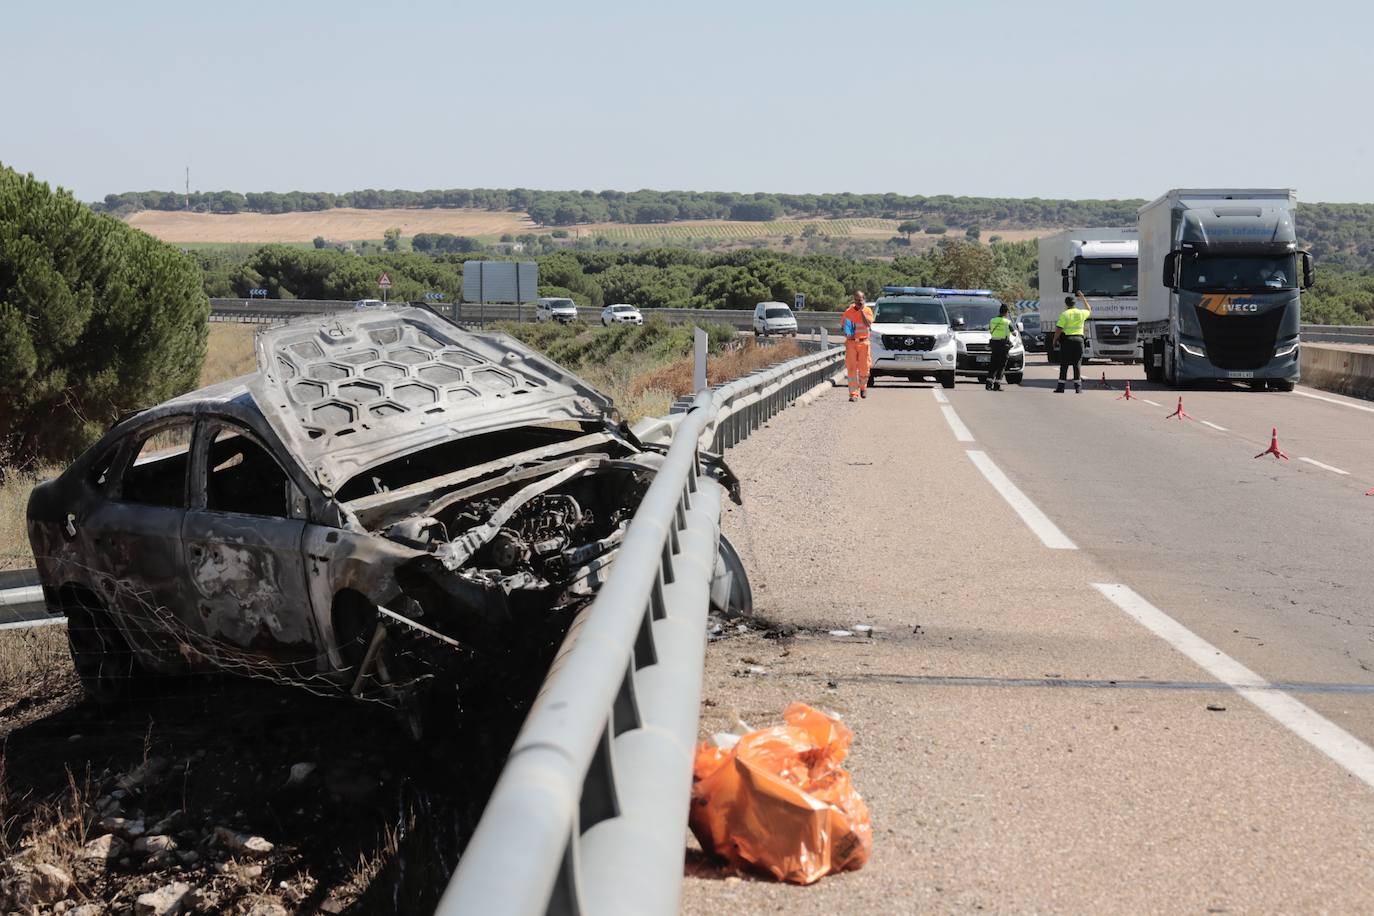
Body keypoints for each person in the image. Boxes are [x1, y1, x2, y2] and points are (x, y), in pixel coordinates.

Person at [841, 290, 874, 402]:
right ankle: (853, 394)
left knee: (864, 368)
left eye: (859, 300)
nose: (857, 302)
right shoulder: (848, 312)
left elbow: (868, 324)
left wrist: (861, 312)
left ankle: (863, 388)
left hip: (863, 342)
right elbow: (843, 326)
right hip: (851, 343)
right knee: (851, 368)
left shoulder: (868, 310)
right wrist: (847, 331)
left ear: (863, 299)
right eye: (855, 300)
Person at [1053, 294, 1090, 393]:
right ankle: (1078, 388)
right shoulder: (1081, 313)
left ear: (1066, 304)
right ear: (1075, 303)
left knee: (1064, 364)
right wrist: (1083, 299)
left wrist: (1054, 340)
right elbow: (1089, 309)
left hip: (1067, 341)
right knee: (1077, 364)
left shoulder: (1065, 314)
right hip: (1079, 341)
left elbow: (1059, 328)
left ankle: (1061, 387)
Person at [985, 304, 1014, 391]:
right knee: (1001, 365)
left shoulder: (992, 320)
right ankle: (997, 385)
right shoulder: (1007, 322)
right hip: (1003, 345)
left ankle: (988, 384)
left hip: (994, 344)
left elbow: (990, 330)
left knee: (993, 364)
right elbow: (1014, 333)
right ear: (1006, 312)